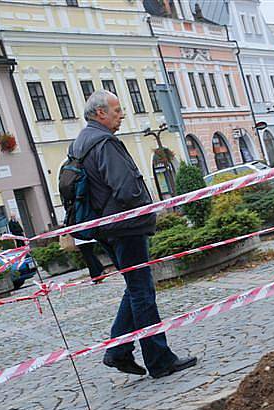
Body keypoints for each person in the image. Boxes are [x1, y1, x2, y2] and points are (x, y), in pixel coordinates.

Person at [69, 89, 196, 379]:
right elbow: (126, 188)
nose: (122, 114)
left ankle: (118, 351)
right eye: (116, 110)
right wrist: (144, 207)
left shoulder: (81, 142)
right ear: (100, 113)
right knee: (142, 291)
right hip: (125, 227)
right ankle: (159, 359)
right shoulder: (104, 142)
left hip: (107, 227)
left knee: (135, 286)